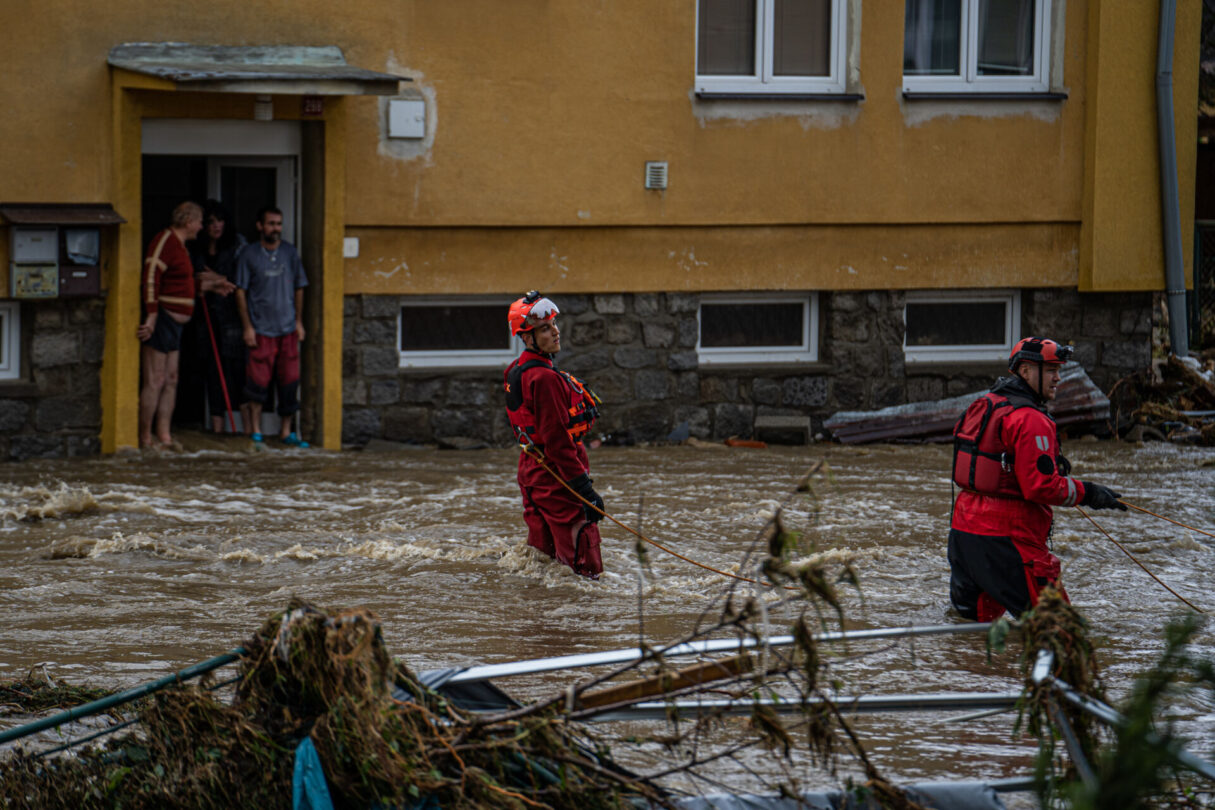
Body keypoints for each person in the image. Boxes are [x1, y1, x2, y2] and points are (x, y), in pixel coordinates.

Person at [947, 336, 1127, 621]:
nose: (1058, 378)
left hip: (963, 532)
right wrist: (1089, 493)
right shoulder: (1031, 419)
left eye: (1059, 370)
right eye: (1051, 370)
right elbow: (1040, 486)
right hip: (1008, 537)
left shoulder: (983, 404)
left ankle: (972, 667)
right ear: (1026, 371)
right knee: (1061, 630)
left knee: (972, 630)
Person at [503, 291, 604, 578]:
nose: (555, 332)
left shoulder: (515, 370)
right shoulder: (545, 379)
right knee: (584, 570)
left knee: (542, 560)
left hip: (532, 474)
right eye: (545, 328)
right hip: (557, 479)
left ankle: (540, 618)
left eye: (554, 324)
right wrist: (586, 492)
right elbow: (559, 443)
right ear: (527, 336)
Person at [137, 201, 234, 449]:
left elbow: (185, 283)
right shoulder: (165, 241)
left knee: (171, 378)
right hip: (164, 320)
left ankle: (165, 435)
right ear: (188, 221)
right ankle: (146, 438)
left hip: (177, 323)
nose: (201, 227)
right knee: (156, 379)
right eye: (200, 222)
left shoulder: (183, 248)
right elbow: (151, 276)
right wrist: (151, 315)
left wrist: (213, 286)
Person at [235, 206, 310, 447]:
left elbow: (300, 287)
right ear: (260, 226)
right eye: (270, 224)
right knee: (257, 382)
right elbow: (240, 292)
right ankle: (256, 429)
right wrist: (247, 327)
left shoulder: (290, 252)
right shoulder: (248, 254)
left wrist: (298, 321)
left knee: (289, 381)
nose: (275, 229)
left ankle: (286, 431)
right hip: (261, 329)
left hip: (287, 328)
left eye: (278, 224)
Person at [189, 200, 249, 434]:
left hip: (233, 317)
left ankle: (246, 428)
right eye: (211, 222)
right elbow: (194, 280)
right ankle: (217, 428)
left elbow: (237, 282)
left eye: (220, 220)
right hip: (206, 318)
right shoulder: (196, 249)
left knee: (238, 370)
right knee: (213, 370)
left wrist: (214, 278)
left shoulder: (237, 246)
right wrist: (214, 281)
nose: (216, 226)